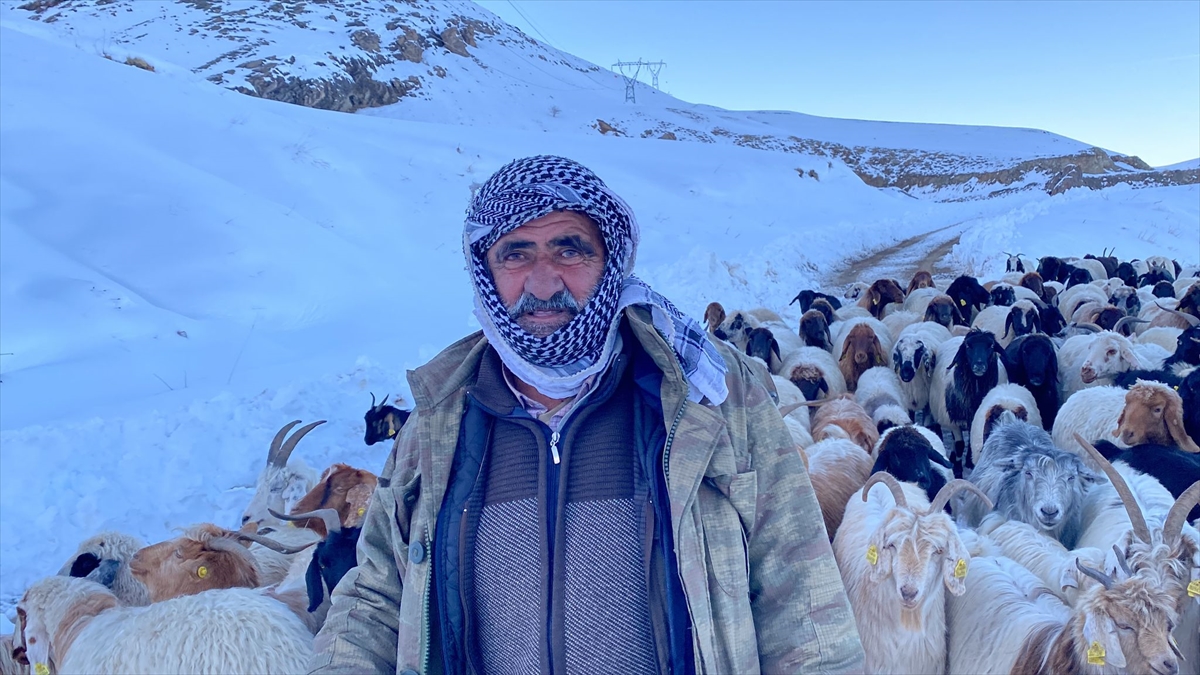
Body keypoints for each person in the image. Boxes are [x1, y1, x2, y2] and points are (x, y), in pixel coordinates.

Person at [309, 156, 865, 675]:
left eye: (570, 250)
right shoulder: (438, 421)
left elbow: (802, 595)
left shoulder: (710, 400)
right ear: (486, 269)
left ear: (610, 260)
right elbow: (376, 596)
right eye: (516, 253)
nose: (543, 281)